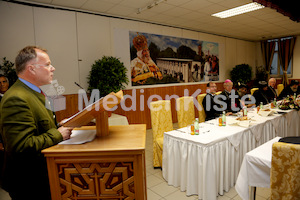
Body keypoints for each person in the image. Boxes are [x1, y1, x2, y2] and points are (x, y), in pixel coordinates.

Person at [0, 46, 73, 200]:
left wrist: (59, 126)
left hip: (42, 176)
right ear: (31, 69)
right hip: (29, 183)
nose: (53, 68)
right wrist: (58, 134)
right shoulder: (17, 98)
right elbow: (21, 146)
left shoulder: (36, 91)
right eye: (47, 64)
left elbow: (40, 128)